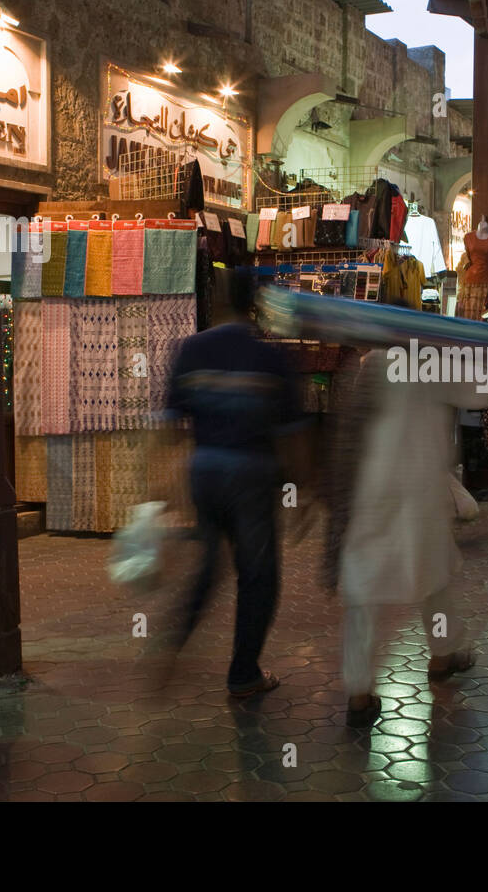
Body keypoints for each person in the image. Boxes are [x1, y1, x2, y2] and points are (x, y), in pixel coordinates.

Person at [336, 311, 488, 726]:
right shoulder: (429, 361)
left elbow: (351, 429)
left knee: (363, 589)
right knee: (433, 576)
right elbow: (482, 390)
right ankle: (443, 655)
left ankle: (360, 690)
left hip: (374, 485)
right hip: (419, 488)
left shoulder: (370, 365)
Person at [163, 268, 310, 698]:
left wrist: (163, 489)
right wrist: (299, 494)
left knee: (209, 565)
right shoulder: (271, 358)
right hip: (251, 478)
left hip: (204, 473)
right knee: (258, 575)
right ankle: (243, 673)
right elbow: (293, 438)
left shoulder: (191, 350)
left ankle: (173, 640)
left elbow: (168, 426)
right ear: (256, 306)